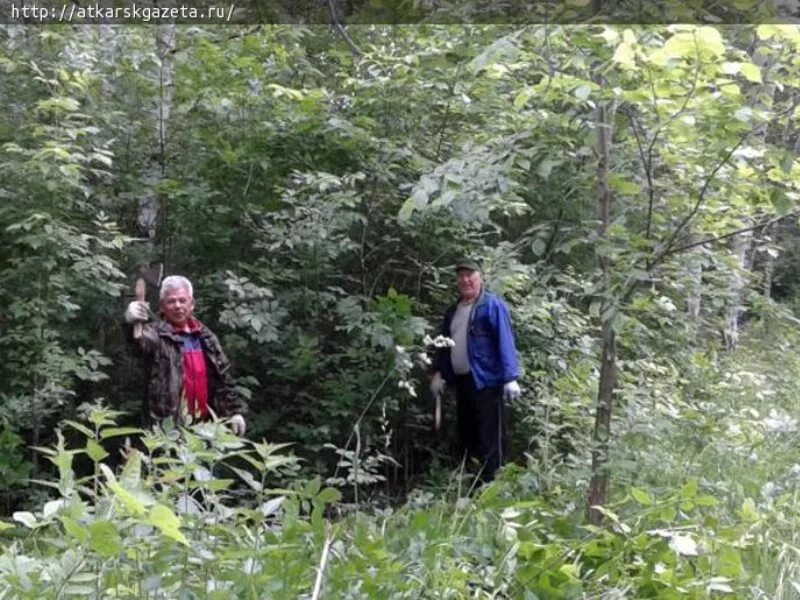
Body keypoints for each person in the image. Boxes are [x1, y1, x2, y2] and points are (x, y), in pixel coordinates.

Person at [430, 258, 521, 481]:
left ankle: (492, 486)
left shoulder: (491, 305)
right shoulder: (452, 312)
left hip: (487, 383)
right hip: (463, 384)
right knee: (467, 436)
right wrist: (438, 374)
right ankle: (473, 485)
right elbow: (443, 345)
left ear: (480, 277)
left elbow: (504, 340)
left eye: (470, 274)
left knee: (489, 438)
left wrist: (510, 377)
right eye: (461, 276)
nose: (465, 280)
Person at [124, 275, 246, 435]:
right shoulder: (155, 334)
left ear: (192, 304)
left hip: (206, 429)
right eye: (171, 301)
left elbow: (223, 378)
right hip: (165, 431)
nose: (177, 306)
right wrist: (130, 322)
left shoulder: (206, 337)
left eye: (182, 300)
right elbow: (137, 343)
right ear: (162, 306)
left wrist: (233, 412)